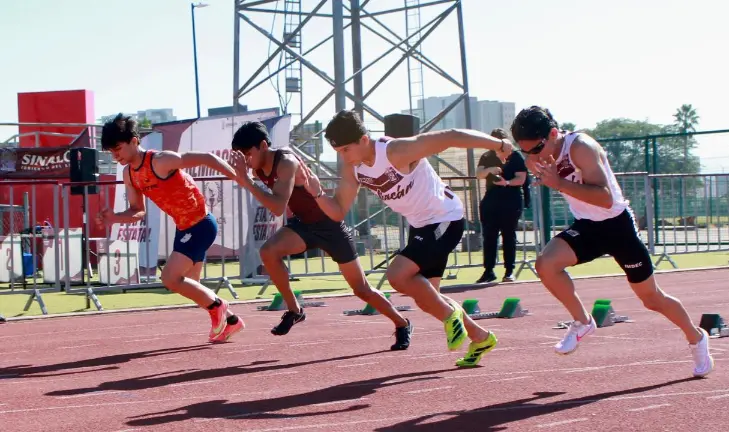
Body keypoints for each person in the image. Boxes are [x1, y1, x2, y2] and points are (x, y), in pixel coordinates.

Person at [510, 106, 713, 377]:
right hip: (588, 227)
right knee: (546, 264)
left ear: (553, 134)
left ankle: (696, 337)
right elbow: (507, 150)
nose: (532, 156)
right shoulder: (533, 156)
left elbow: (605, 198)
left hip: (617, 225)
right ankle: (582, 322)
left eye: (536, 149)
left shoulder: (581, 147)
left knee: (651, 299)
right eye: (526, 151)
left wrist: (558, 183)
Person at [301, 109, 513, 367]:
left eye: (345, 150)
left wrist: (499, 144)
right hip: (421, 225)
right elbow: (337, 211)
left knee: (397, 275)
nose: (343, 157)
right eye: (338, 152)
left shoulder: (395, 151)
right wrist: (316, 193)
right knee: (429, 299)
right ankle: (481, 337)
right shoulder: (353, 167)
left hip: (445, 218)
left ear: (364, 140)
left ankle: (452, 316)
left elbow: (451, 135)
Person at [230, 121, 413, 350]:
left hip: (330, 226)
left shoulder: (286, 163)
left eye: (247, 154)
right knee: (268, 251)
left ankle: (402, 323)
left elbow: (277, 207)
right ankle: (295, 310)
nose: (246, 161)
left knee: (361, 289)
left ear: (263, 145)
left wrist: (245, 182)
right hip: (304, 225)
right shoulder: (257, 166)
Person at [97, 113, 246, 343]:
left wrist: (237, 176)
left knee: (170, 278)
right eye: (110, 151)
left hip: (201, 224)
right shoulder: (129, 174)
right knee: (193, 288)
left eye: (117, 148)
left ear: (134, 141)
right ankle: (233, 321)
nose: (115, 155)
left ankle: (220, 306)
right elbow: (138, 210)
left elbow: (206, 157)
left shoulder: (160, 161)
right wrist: (115, 217)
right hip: (183, 228)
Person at [475, 128, 528, 283]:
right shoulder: (487, 156)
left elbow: (521, 178)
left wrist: (507, 183)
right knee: (489, 236)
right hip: (491, 200)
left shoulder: (516, 156)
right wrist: (491, 170)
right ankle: (489, 270)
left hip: (510, 200)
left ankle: (509, 271)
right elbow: (479, 174)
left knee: (508, 236)